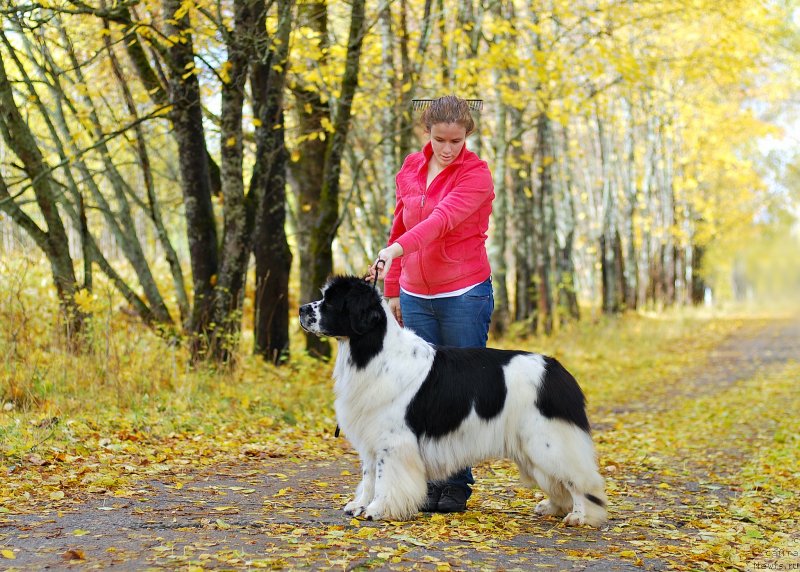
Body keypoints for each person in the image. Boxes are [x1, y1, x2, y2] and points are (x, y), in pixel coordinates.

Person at [370, 95, 495, 513]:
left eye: (455, 140)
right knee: (419, 390)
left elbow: (439, 221)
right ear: (427, 132)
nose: (446, 148)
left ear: (467, 137)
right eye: (439, 138)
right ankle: (427, 481)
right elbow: (401, 221)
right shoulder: (410, 167)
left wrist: (396, 250)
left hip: (463, 293)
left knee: (458, 388)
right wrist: (391, 287)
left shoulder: (477, 176)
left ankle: (457, 483)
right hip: (415, 294)